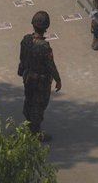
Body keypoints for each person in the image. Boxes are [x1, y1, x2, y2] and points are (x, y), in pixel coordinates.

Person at [18, 10, 61, 141]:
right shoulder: (44, 47)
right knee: (39, 104)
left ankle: (29, 125)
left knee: (29, 100)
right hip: (41, 81)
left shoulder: (26, 40)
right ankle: (35, 133)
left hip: (28, 77)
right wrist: (58, 79)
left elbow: (22, 58)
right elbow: (50, 65)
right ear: (46, 28)